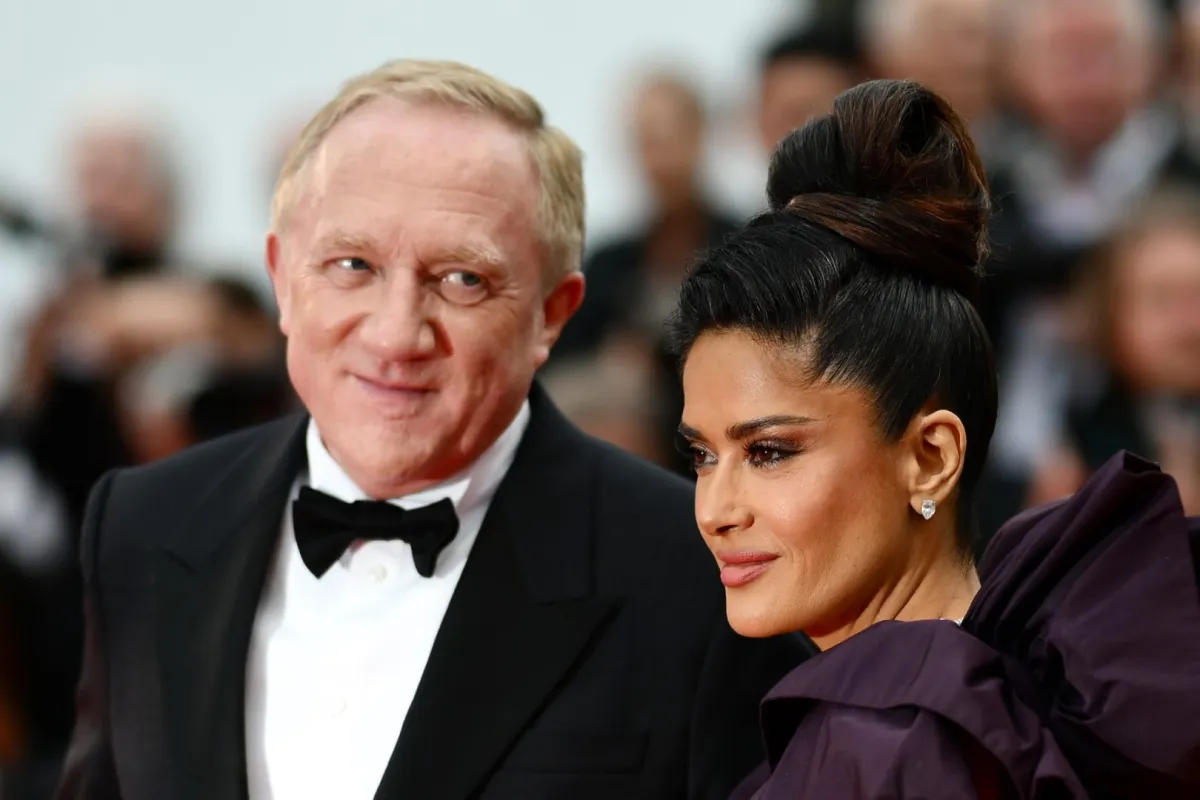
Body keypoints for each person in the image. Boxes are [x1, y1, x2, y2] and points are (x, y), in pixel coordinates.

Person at [54, 60, 808, 800]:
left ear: (552, 312)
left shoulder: (700, 577)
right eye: (352, 265)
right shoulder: (142, 528)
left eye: (461, 279)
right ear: (283, 278)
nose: (395, 335)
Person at [671, 79, 1200, 797]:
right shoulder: (1043, 696)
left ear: (931, 457)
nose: (715, 510)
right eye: (702, 455)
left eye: (769, 452)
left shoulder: (898, 746)